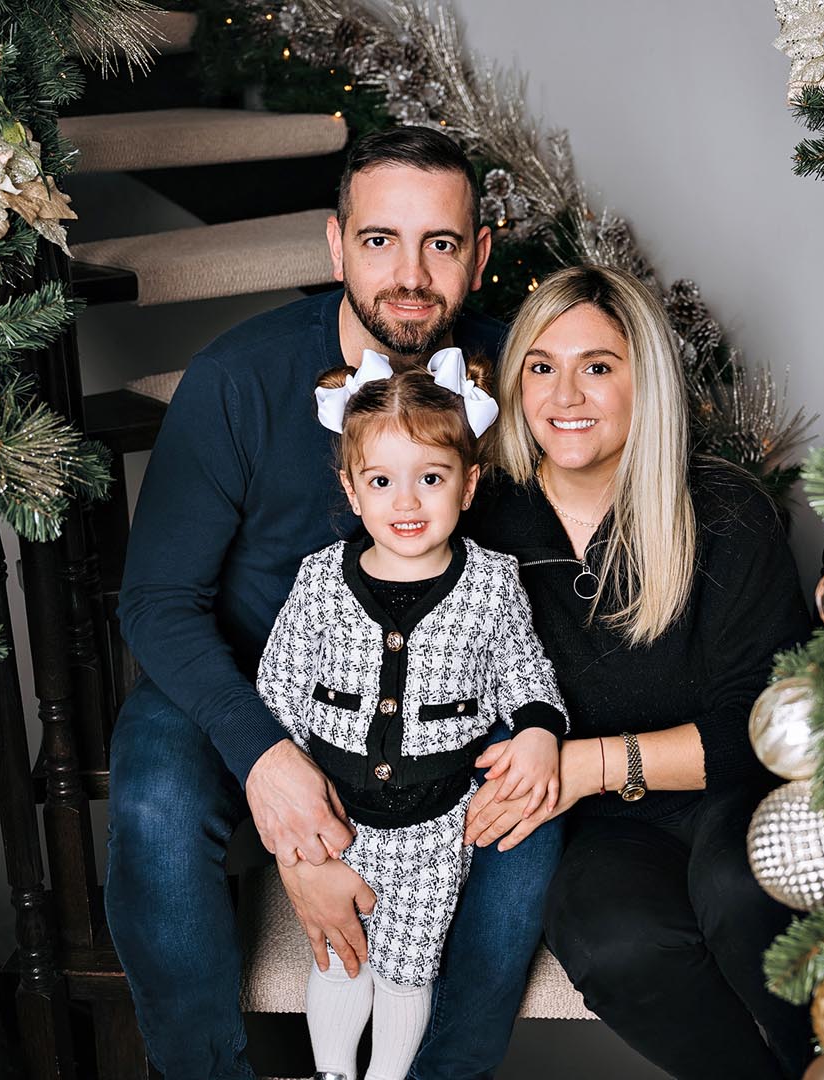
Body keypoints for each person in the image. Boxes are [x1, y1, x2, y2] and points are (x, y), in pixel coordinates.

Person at [107, 125, 562, 1079]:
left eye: (441, 243)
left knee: (530, 820)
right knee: (153, 801)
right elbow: (156, 600)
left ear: (480, 255)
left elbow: (544, 579)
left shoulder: (522, 377)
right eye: (379, 240)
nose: (410, 275)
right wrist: (268, 762)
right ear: (335, 244)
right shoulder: (238, 377)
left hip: (444, 694)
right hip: (242, 673)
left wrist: (535, 728)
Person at [453, 265, 816, 1079]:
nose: (564, 395)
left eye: (597, 366)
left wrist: (586, 763)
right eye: (540, 366)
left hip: (737, 791)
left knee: (742, 889)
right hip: (601, 828)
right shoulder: (480, 523)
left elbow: (765, 724)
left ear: (643, 378)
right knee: (613, 942)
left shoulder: (724, 508)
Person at [257, 350, 566, 1080]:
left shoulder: (492, 584)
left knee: (407, 970)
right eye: (381, 481)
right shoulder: (320, 582)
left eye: (431, 478)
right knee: (340, 958)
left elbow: (526, 671)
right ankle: (333, 1071)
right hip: (336, 819)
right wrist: (300, 840)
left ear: (468, 484)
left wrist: (538, 732)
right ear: (351, 489)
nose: (407, 502)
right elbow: (279, 691)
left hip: (436, 828)